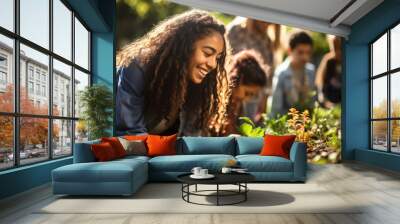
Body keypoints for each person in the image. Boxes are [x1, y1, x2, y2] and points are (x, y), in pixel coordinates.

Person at [115, 10, 230, 136]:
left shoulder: (191, 82)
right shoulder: (137, 67)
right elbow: (131, 133)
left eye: (217, 58)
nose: (213, 64)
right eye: (207, 53)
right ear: (185, 46)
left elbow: (190, 136)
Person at [226, 18, 279, 121]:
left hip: (253, 98)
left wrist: (263, 105)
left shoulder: (267, 41)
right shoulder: (236, 31)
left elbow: (268, 78)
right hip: (233, 91)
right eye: (264, 20)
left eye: (270, 21)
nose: (267, 24)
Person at [270, 31, 316, 117]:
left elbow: (313, 103)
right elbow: (276, 108)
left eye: (308, 52)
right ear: (289, 51)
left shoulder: (311, 71)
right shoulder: (282, 73)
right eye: (300, 52)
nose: (305, 57)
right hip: (287, 121)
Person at [226, 50, 269, 134]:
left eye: (252, 95)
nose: (247, 98)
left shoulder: (238, 103)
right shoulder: (219, 100)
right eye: (247, 93)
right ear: (237, 80)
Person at [315, 35, 342, 108]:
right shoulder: (328, 60)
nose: (338, 52)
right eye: (334, 49)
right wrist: (323, 98)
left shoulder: (349, 61)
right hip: (331, 99)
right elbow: (320, 80)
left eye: (340, 49)